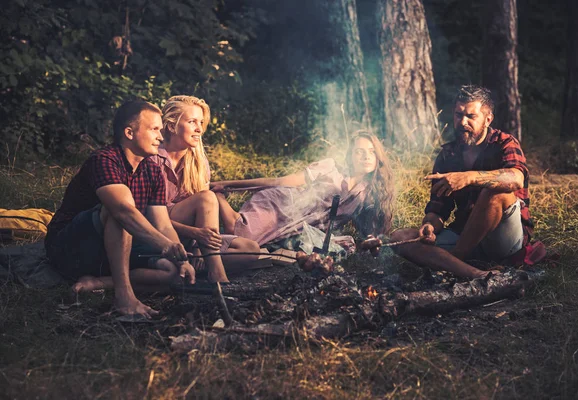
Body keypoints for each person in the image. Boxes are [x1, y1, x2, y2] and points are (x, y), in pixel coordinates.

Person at [45, 100, 222, 318]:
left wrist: (181, 259)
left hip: (112, 252)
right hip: (72, 249)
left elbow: (163, 223)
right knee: (119, 210)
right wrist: (165, 245)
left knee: (175, 272)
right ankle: (124, 297)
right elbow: (122, 212)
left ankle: (99, 282)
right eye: (154, 129)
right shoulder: (104, 159)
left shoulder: (152, 170)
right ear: (129, 132)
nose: (160, 136)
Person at [365, 85, 533, 279]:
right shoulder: (448, 155)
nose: (463, 122)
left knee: (496, 190)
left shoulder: (504, 143)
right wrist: (429, 226)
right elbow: (438, 209)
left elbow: (516, 179)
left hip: (503, 239)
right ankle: (475, 273)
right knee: (401, 237)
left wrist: (469, 177)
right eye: (458, 114)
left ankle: (453, 261)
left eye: (471, 116)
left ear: (488, 119)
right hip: (464, 233)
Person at [212, 131, 395, 248]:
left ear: (378, 156)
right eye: (359, 151)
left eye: (372, 151)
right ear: (351, 156)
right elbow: (281, 181)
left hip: (298, 231)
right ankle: (217, 197)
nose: (366, 157)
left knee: (243, 248)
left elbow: (369, 231)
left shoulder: (366, 194)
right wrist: (229, 185)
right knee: (239, 232)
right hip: (280, 207)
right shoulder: (330, 167)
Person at [150, 95, 261, 272]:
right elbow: (149, 218)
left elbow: (205, 216)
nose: (199, 129)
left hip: (192, 239)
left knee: (251, 249)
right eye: (192, 122)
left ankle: (196, 264)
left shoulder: (198, 161)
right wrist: (195, 234)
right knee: (207, 198)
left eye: (201, 123)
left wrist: (197, 245)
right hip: (159, 233)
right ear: (171, 126)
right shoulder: (153, 158)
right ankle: (216, 276)